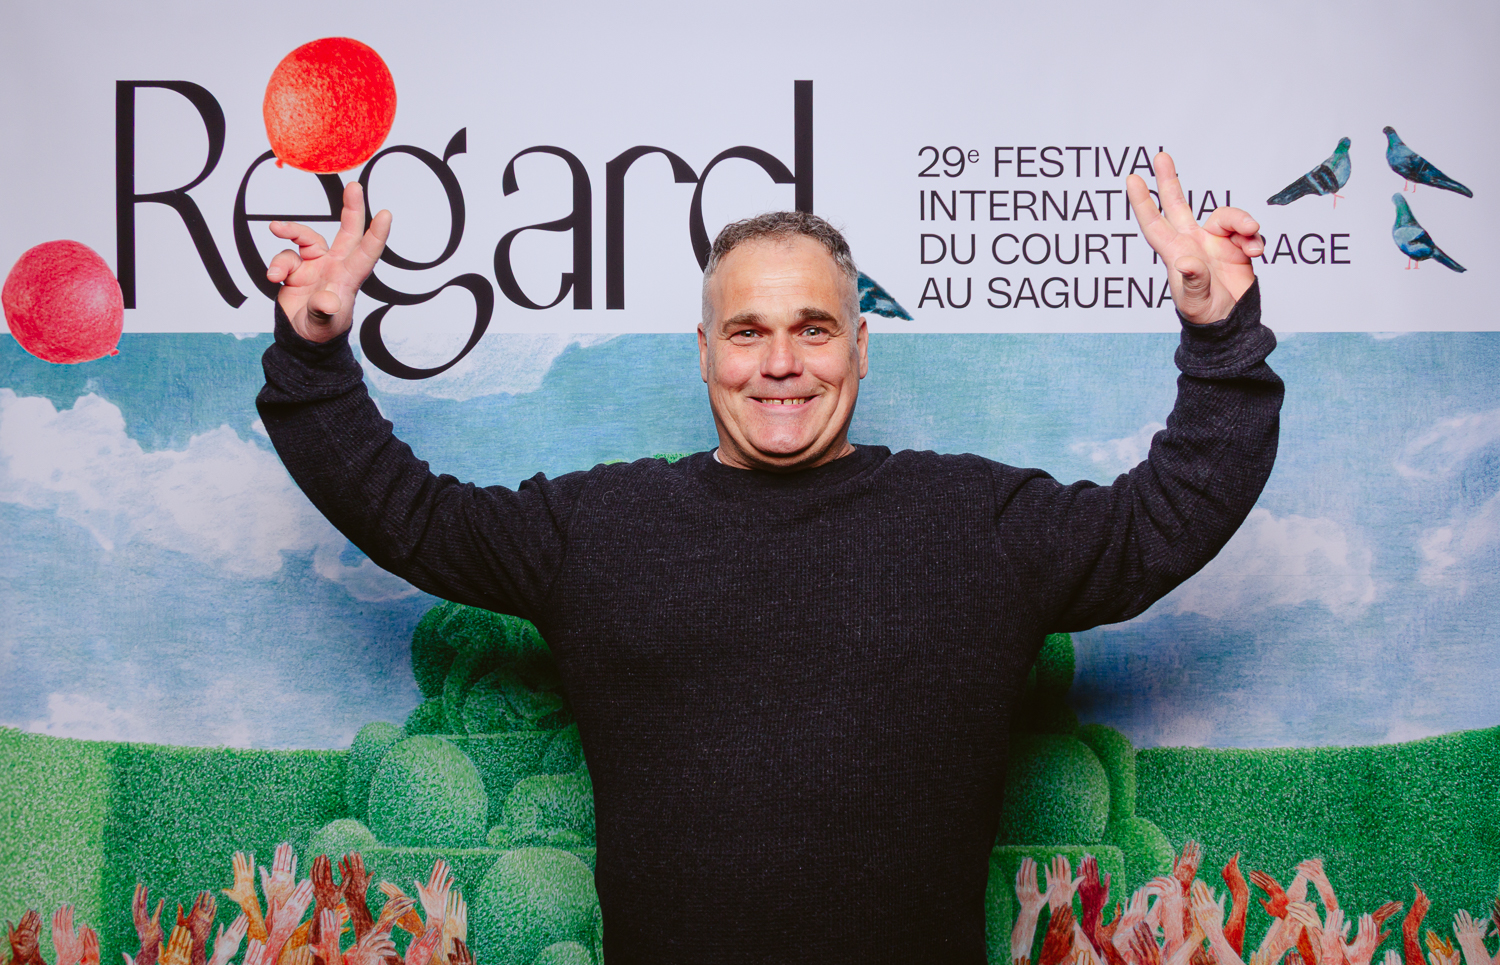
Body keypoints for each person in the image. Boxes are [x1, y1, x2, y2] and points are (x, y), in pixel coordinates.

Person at [256, 152, 1279, 964]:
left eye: (812, 329)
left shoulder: (978, 522)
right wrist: (312, 352)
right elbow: (409, 513)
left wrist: (1220, 333)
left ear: (861, 345)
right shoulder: (598, 526)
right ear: (704, 350)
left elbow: (1163, 520)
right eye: (746, 332)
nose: (780, 363)